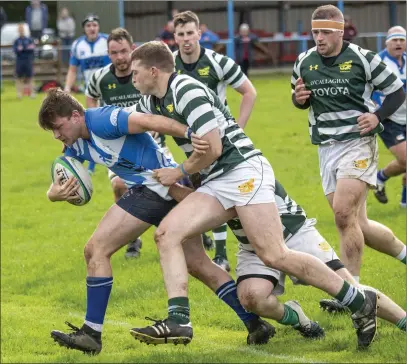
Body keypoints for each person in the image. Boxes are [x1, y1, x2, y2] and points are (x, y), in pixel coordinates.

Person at [127, 40, 379, 350]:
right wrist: (83, 128)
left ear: (154, 71)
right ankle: (178, 320)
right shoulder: (152, 101)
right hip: (216, 180)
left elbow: (215, 149)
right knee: (167, 234)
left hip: (243, 169)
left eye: (135, 71)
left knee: (273, 254)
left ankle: (358, 300)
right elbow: (125, 121)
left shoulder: (186, 90)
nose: (132, 77)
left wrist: (178, 171)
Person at [39, 89, 275, 354]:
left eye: (58, 127)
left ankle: (91, 334)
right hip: (165, 190)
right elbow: (61, 174)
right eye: (52, 132)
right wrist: (53, 194)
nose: (57, 135)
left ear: (75, 115)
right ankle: (255, 323)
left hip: (154, 186)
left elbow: (148, 121)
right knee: (198, 264)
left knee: (96, 250)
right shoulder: (74, 141)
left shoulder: (103, 119)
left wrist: (189, 133)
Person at [171, 174, 407, 336]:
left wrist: (170, 188)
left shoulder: (242, 163)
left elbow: (221, 208)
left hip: (293, 232)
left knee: (349, 285)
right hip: (253, 246)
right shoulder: (205, 168)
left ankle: (402, 321)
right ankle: (297, 318)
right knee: (252, 297)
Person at [291, 4, 406, 278]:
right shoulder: (304, 62)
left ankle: (353, 292)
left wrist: (377, 117)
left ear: (340, 32)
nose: (319, 38)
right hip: (326, 148)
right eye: (315, 31)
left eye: (325, 32)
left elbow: (396, 92)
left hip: (358, 143)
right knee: (358, 224)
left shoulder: (363, 59)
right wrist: (297, 99)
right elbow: (298, 100)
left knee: (342, 215)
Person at [173, 10, 258, 271]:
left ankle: (225, 254)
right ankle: (227, 252)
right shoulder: (169, 65)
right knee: (212, 196)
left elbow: (248, 92)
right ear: (174, 37)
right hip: (189, 146)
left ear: (200, 33)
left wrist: (237, 129)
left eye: (190, 33)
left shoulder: (217, 61)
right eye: (181, 34)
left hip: (219, 143)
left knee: (223, 196)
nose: (186, 39)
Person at [85, 27, 144, 259]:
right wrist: (95, 121)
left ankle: (194, 234)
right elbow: (90, 95)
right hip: (117, 147)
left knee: (168, 190)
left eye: (123, 51)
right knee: (119, 185)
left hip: (151, 141)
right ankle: (132, 239)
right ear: (108, 54)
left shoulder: (143, 73)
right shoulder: (100, 77)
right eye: (113, 52)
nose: (119, 57)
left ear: (132, 49)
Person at [65, 13, 110, 175]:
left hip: (107, 90)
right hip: (90, 93)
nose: (92, 28)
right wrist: (67, 88)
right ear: (84, 29)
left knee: (107, 127)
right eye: (89, 26)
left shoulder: (107, 41)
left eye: (95, 25)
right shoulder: (78, 45)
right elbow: (72, 69)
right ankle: (92, 165)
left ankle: (113, 160)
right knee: (90, 127)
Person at [372, 26, 406, 208]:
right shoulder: (379, 62)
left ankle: (404, 203)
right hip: (389, 119)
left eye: (402, 40)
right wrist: (379, 108)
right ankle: (380, 177)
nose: (398, 43)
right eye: (395, 40)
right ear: (387, 42)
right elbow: (369, 88)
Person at [13, 23, 35, 99]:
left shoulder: (29, 39)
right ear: (18, 31)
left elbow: (31, 48)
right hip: (19, 60)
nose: (21, 31)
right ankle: (19, 94)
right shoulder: (16, 41)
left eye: (22, 29)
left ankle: (32, 93)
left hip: (28, 60)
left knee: (30, 77)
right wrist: (24, 49)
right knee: (18, 77)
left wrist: (23, 49)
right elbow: (16, 50)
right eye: (20, 29)